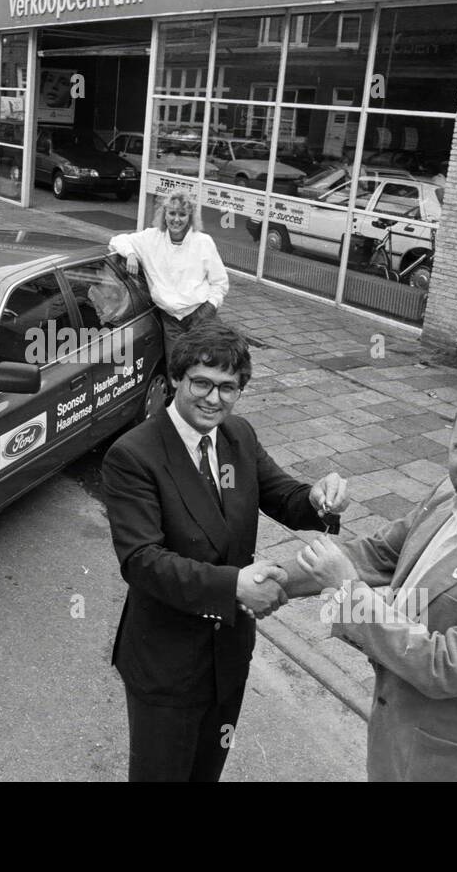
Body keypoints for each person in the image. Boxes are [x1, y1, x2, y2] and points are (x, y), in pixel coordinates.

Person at [265, 389, 457, 782]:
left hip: (449, 765)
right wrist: (273, 581)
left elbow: (446, 667)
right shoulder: (452, 494)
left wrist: (348, 593)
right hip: (394, 733)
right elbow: (380, 553)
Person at [101, 322, 349, 782]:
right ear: (177, 378)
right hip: (166, 664)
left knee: (206, 771)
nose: (214, 399)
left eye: (228, 388)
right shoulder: (133, 455)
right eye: (202, 383)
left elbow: (281, 495)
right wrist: (233, 585)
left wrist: (317, 497)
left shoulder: (238, 436)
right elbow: (142, 561)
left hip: (229, 651)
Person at [108, 192, 228, 361]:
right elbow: (117, 240)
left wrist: (210, 307)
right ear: (164, 214)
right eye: (172, 213)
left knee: (207, 365)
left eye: (182, 214)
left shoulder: (203, 242)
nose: (176, 219)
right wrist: (131, 254)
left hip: (200, 314)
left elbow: (220, 283)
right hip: (171, 320)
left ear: (190, 217)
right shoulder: (150, 238)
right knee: (176, 368)